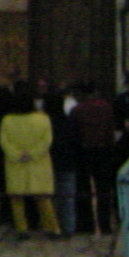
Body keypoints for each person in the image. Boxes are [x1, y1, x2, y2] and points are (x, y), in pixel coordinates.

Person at [0, 89, 60, 238]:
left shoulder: (7, 120)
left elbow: (4, 141)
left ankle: (22, 229)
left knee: (17, 199)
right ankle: (52, 228)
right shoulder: (43, 119)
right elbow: (47, 141)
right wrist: (32, 154)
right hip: (38, 164)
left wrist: (17, 155)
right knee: (43, 198)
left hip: (15, 164)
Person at [72, 79, 118, 233]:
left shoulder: (77, 109)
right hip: (103, 151)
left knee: (83, 189)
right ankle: (105, 225)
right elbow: (110, 130)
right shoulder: (106, 108)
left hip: (83, 152)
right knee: (104, 190)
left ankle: (86, 225)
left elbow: (74, 133)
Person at [51, 82, 81, 237]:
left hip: (52, 163)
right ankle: (69, 228)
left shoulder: (48, 123)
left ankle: (55, 227)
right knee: (68, 198)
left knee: (54, 198)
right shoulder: (70, 122)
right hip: (69, 163)